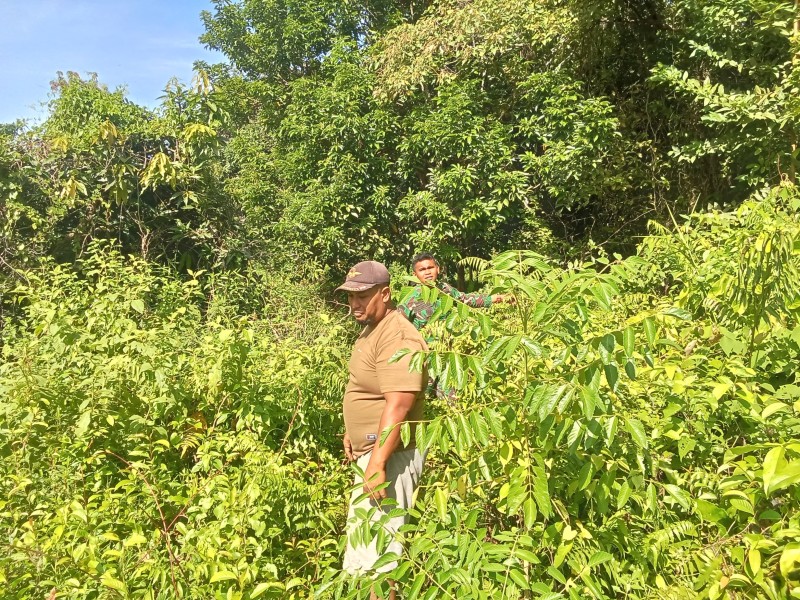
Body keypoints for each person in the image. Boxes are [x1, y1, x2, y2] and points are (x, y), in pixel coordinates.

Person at [335, 260, 428, 598]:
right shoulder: (373, 327)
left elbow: (399, 405)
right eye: (350, 297)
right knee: (365, 557)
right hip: (374, 454)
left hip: (391, 459)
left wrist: (376, 465)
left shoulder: (398, 334)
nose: (355, 304)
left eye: (363, 296)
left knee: (381, 557)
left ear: (385, 294)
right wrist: (353, 430)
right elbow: (369, 389)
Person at [398, 252, 514, 331]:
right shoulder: (411, 297)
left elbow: (465, 299)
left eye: (430, 268)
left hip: (451, 346)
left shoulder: (445, 288)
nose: (427, 272)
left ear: (438, 269)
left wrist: (497, 298)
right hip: (426, 352)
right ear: (415, 274)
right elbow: (398, 324)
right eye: (422, 270)